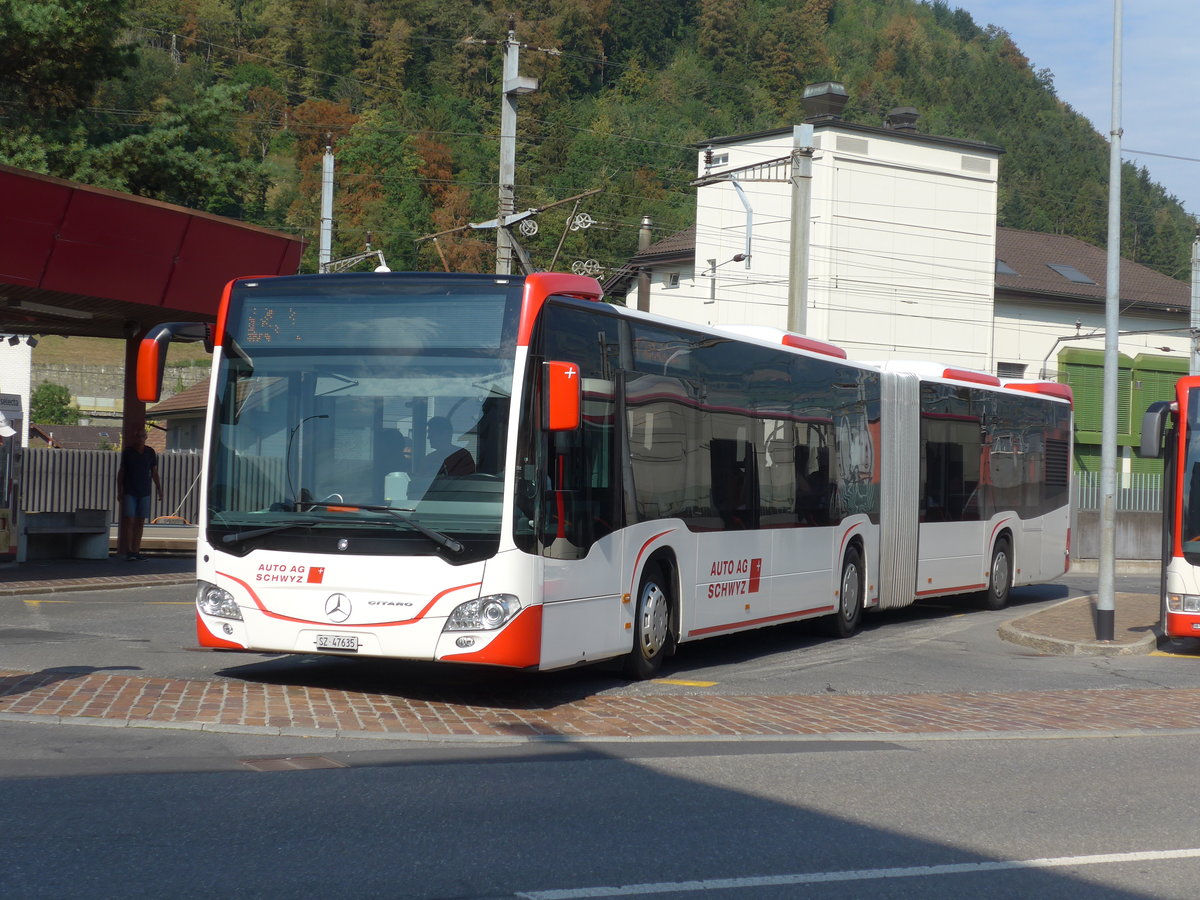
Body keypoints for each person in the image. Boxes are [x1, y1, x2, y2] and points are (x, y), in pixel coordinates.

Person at [117, 429, 163, 561]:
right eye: (139, 436)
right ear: (135, 437)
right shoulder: (128, 452)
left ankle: (136, 550)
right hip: (130, 490)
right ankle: (130, 550)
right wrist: (119, 491)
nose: (141, 438)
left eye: (143, 436)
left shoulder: (150, 452)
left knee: (140, 521)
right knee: (130, 520)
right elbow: (122, 472)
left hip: (145, 491)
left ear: (146, 437)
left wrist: (159, 489)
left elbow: (154, 472)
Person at [412, 417, 475, 495]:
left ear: (445, 434)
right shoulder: (429, 458)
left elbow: (467, 485)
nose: (428, 437)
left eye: (431, 433)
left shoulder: (462, 456)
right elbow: (418, 483)